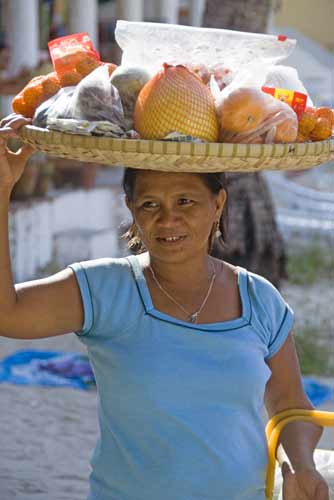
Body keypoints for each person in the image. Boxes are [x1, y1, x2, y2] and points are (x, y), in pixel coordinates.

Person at [0, 113, 329, 500]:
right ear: (131, 208)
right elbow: (10, 313)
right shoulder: (104, 289)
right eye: (149, 204)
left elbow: (290, 405)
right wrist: (2, 187)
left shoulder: (259, 299)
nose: (167, 218)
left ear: (218, 203)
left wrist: (302, 466)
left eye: (185, 201)